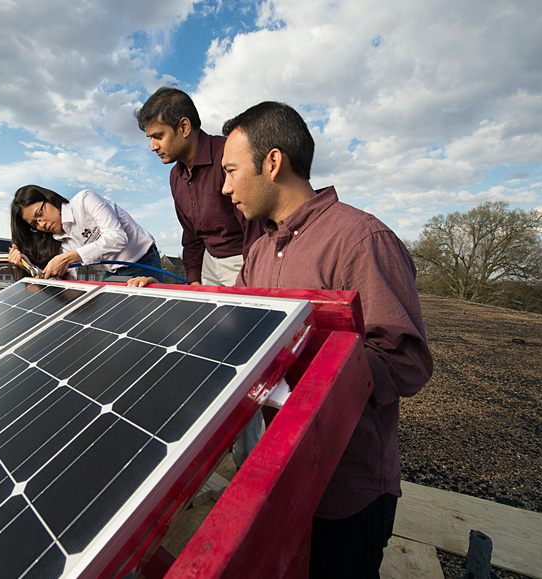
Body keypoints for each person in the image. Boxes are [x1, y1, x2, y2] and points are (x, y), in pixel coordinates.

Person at [130, 101, 433, 578]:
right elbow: (236, 319)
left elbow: (406, 360)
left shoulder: (360, 240)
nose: (224, 187)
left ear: (272, 163)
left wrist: (310, 371)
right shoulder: (261, 249)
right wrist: (171, 298)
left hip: (347, 487)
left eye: (231, 170)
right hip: (286, 475)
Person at [136, 87, 266, 466]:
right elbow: (191, 237)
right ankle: (214, 447)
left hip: (249, 260)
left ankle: (250, 461)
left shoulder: (230, 154)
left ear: (184, 126)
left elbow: (256, 227)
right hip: (209, 266)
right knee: (207, 359)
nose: (153, 147)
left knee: (246, 363)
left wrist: (247, 286)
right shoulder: (177, 177)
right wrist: (193, 280)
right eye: (149, 139)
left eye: (157, 137)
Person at [8, 185, 161, 281]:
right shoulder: (61, 240)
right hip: (115, 272)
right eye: (35, 223)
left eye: (39, 214)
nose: (42, 223)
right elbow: (66, 281)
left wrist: (67, 258)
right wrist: (28, 266)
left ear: (49, 199)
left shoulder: (85, 200)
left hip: (144, 262)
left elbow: (118, 238)